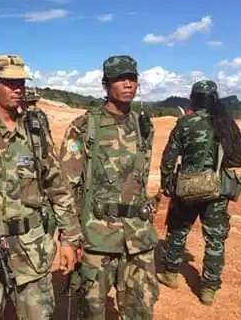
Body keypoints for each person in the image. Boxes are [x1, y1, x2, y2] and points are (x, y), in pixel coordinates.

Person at [0, 54, 82, 320]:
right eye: (9, 83)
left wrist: (69, 239)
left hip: (33, 254)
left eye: (20, 83)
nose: (17, 89)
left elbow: (58, 189)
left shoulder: (36, 135)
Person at [60, 55, 159, 319]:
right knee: (91, 311)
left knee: (141, 310)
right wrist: (71, 237)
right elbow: (66, 186)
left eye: (132, 78)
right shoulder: (84, 127)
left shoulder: (143, 124)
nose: (128, 84)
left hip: (138, 237)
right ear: (106, 84)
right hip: (97, 238)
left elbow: (141, 179)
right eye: (120, 79)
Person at [157, 80, 241, 306]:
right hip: (216, 189)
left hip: (186, 187)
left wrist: (167, 184)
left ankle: (170, 274)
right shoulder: (226, 124)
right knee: (215, 239)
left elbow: (168, 158)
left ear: (193, 99)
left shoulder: (185, 123)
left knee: (178, 230)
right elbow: (239, 159)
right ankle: (208, 289)